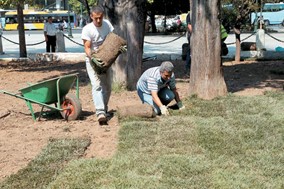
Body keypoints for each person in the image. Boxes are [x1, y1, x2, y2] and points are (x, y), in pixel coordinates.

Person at [81, 6, 114, 124]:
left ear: (103, 16)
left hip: (106, 61)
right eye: (96, 18)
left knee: (108, 87)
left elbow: (112, 41)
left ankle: (104, 108)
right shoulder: (87, 29)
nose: (98, 21)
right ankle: (100, 112)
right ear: (91, 17)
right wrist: (94, 59)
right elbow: (87, 48)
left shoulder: (108, 25)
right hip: (92, 61)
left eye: (100, 18)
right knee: (97, 85)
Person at [185, 12, 192, 77]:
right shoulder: (190, 14)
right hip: (192, 36)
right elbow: (189, 25)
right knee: (190, 52)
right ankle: (188, 69)